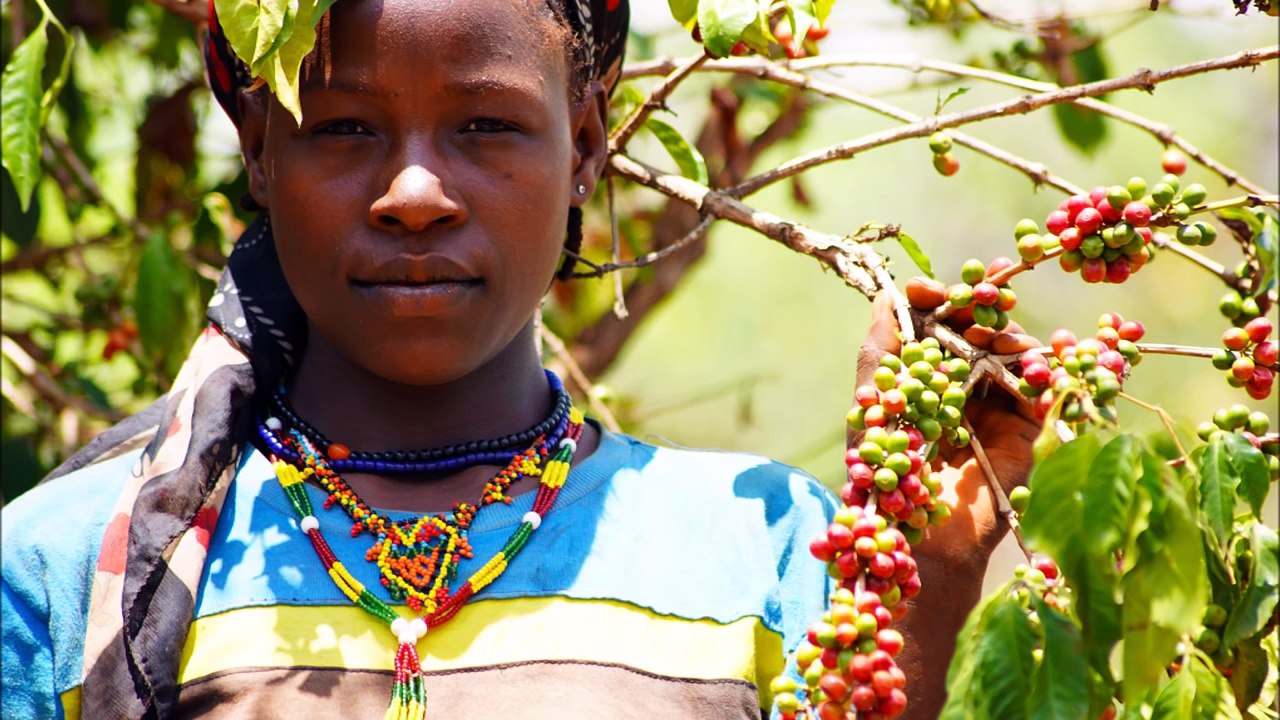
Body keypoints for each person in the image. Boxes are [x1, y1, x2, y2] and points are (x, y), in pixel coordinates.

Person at [0, 1, 1037, 718]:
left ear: (583, 145)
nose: (414, 194)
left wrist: (929, 576)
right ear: (261, 151)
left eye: (486, 125)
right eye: (345, 126)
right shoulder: (67, 570)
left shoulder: (769, 548)